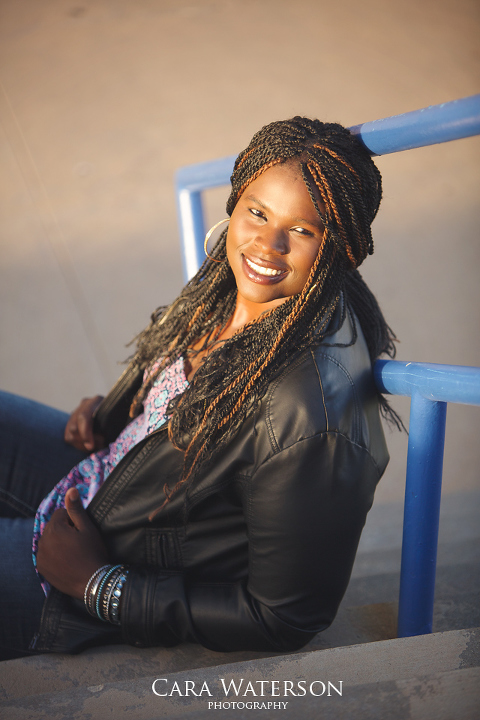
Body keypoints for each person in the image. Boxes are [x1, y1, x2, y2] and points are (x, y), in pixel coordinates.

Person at [0, 117, 398, 661]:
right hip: (105, 474)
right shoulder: (232, 276)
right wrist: (122, 414)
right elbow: (181, 406)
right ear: (236, 202)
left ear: (342, 248)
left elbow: (283, 616)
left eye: (303, 230)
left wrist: (99, 585)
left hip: (91, 570)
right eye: (257, 211)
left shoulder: (312, 423)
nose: (266, 244)